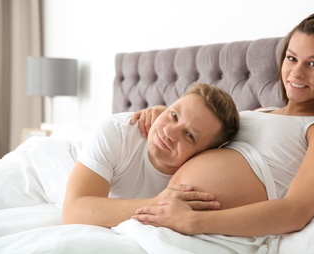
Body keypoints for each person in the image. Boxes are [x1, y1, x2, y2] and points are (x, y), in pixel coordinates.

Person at [131, 12, 314, 236]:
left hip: (209, 232)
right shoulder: (258, 112)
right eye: (292, 58)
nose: (297, 72)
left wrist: (194, 221)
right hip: (165, 217)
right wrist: (165, 114)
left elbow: (296, 211)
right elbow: (196, 137)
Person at [62, 82, 239, 228]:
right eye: (174, 115)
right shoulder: (116, 132)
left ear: (205, 154)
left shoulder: (207, 173)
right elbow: (73, 211)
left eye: (189, 135)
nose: (169, 132)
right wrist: (156, 204)